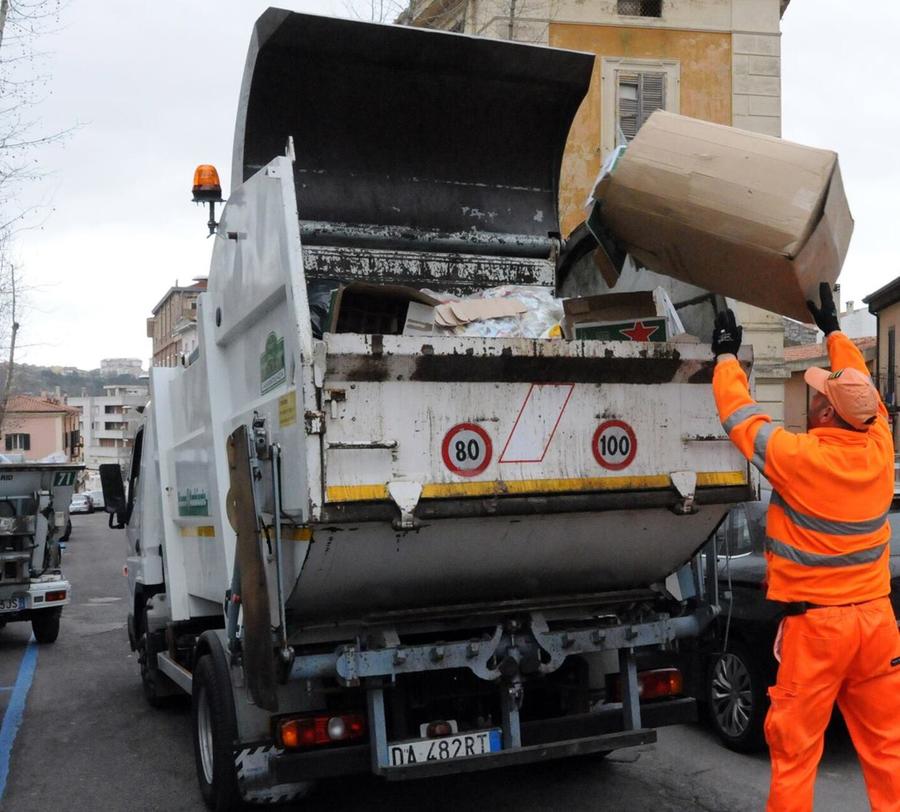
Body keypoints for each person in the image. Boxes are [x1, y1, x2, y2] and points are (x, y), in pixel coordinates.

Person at [711, 283, 900, 812]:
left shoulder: (799, 459)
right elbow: (872, 400)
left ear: (823, 416)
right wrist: (835, 330)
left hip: (817, 632)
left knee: (795, 757)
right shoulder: (880, 447)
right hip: (877, 623)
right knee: (889, 751)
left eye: (817, 394)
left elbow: (739, 417)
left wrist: (726, 355)